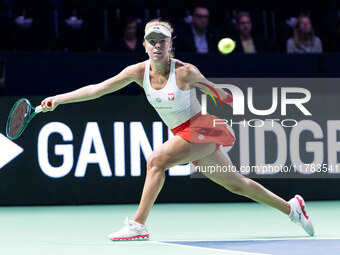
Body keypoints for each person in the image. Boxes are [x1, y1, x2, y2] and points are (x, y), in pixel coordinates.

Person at [41, 19, 314, 241]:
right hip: (184, 133)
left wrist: (219, 92)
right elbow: (96, 89)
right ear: (145, 45)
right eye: (152, 41)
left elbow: (213, 88)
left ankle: (138, 225)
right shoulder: (137, 72)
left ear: (171, 44)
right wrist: (59, 99)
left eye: (163, 41)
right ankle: (292, 209)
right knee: (237, 185)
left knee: (156, 160)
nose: (157, 46)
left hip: (202, 128)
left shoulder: (185, 72)